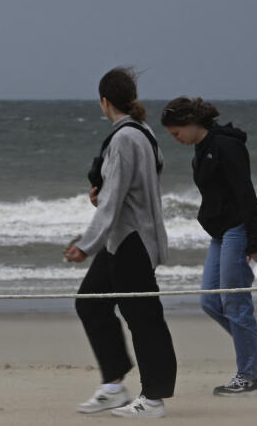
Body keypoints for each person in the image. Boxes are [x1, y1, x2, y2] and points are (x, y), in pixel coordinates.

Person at [65, 67, 177, 418]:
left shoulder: (127, 137)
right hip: (121, 239)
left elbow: (114, 200)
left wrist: (86, 244)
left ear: (104, 101)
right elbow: (128, 188)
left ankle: (154, 399)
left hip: (132, 240)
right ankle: (114, 385)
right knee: (90, 302)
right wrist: (105, 196)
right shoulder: (140, 133)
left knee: (143, 317)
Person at [159, 97, 257, 397]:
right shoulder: (201, 148)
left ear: (191, 122)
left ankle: (248, 376)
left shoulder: (226, 146)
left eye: (177, 133)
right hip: (222, 232)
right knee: (211, 302)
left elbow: (245, 191)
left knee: (236, 304)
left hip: (240, 230)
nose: (176, 140)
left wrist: (254, 241)